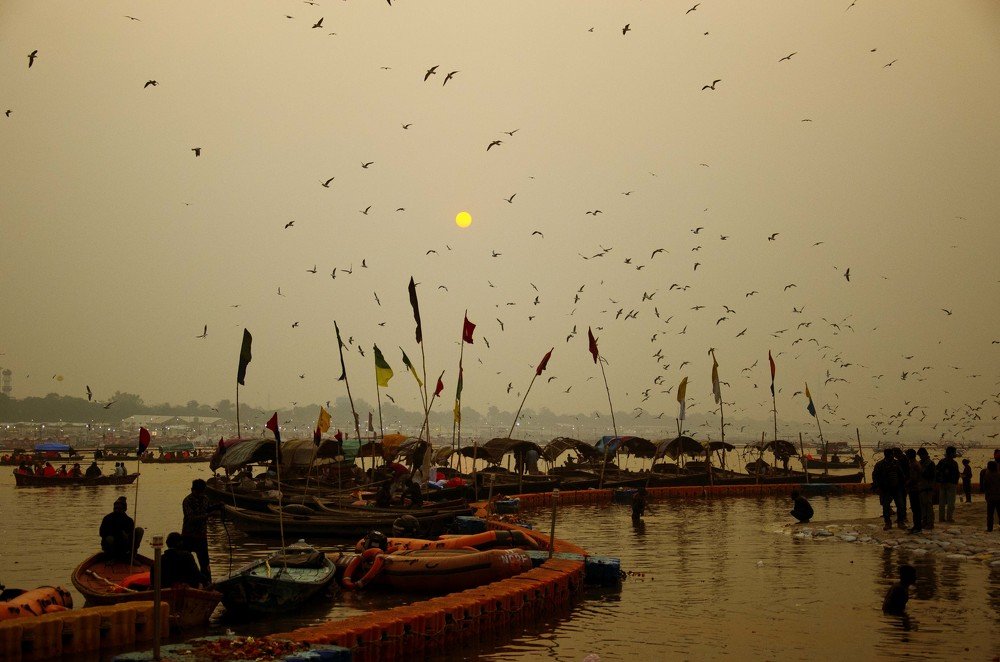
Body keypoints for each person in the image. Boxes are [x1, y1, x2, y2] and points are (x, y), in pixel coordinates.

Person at [182, 479, 219, 583]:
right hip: (188, 535)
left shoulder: (205, 498)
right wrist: (208, 515)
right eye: (198, 492)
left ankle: (207, 583)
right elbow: (191, 518)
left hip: (201, 536)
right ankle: (187, 583)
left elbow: (208, 508)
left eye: (202, 492)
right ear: (192, 490)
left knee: (205, 564)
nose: (200, 494)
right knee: (185, 562)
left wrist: (217, 507)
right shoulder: (187, 501)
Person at [871, 450, 902, 530]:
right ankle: (888, 523)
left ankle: (900, 522)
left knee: (900, 505)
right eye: (891, 455)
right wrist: (877, 486)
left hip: (897, 488)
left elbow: (901, 474)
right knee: (886, 506)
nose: (892, 456)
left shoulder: (897, 463)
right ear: (887, 455)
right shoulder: (880, 464)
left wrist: (902, 485)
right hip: (885, 488)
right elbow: (875, 476)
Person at [935, 446, 960, 523]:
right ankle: (949, 517)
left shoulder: (942, 461)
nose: (955, 454)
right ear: (951, 453)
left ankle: (941, 518)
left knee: (942, 502)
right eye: (954, 452)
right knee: (951, 502)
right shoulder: (954, 463)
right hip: (951, 483)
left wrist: (939, 480)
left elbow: (936, 470)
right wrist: (955, 482)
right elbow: (956, 474)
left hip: (942, 483)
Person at [904, 449, 923, 534]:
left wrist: (906, 484)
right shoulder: (915, 463)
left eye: (907, 455)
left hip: (914, 489)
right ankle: (917, 526)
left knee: (916, 509)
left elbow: (914, 478)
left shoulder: (913, 464)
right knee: (916, 509)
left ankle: (917, 527)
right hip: (916, 488)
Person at [917, 448, 936, 530]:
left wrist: (921, 471)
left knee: (928, 506)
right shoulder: (920, 463)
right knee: (923, 507)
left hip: (928, 488)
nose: (920, 457)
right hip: (921, 487)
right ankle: (924, 521)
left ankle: (930, 523)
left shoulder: (930, 464)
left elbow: (930, 476)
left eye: (921, 455)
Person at [983, 461, 1000, 532]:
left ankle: (990, 528)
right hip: (999, 496)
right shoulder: (999, 475)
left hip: (990, 497)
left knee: (990, 514)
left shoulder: (987, 476)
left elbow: (985, 486)